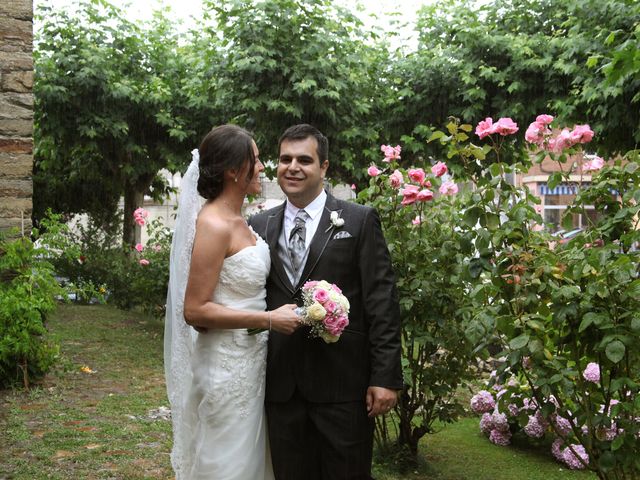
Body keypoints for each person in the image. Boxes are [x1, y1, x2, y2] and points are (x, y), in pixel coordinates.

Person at [248, 124, 403, 480]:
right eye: (285, 159)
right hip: (282, 387)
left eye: (305, 159)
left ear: (324, 167)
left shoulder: (359, 221)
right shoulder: (259, 225)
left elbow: (382, 300)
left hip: (342, 385)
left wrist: (386, 376)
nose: (293, 167)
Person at [164, 124, 300, 480]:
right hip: (225, 368)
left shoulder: (241, 220)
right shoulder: (212, 224)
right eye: (254, 160)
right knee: (227, 463)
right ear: (232, 169)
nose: (262, 167)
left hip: (253, 364)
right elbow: (194, 309)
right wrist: (268, 319)